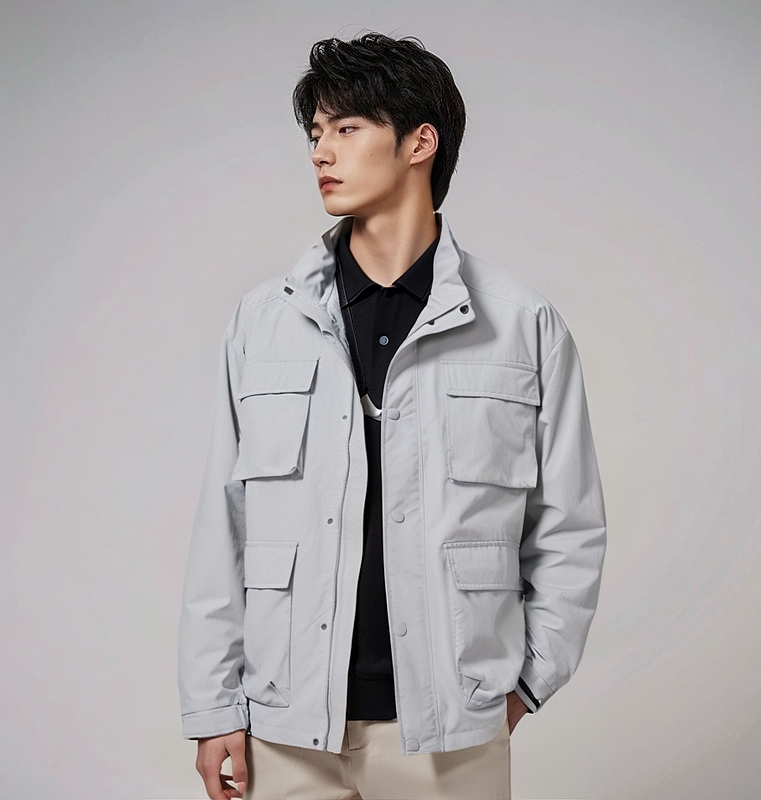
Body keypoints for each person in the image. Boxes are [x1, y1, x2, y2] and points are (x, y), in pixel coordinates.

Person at [178, 32, 606, 800]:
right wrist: (213, 709)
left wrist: (521, 688)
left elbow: (569, 527)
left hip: (449, 734)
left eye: (346, 128)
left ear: (419, 142)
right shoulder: (264, 323)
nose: (321, 152)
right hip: (286, 728)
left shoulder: (521, 325)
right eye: (316, 133)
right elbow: (225, 523)